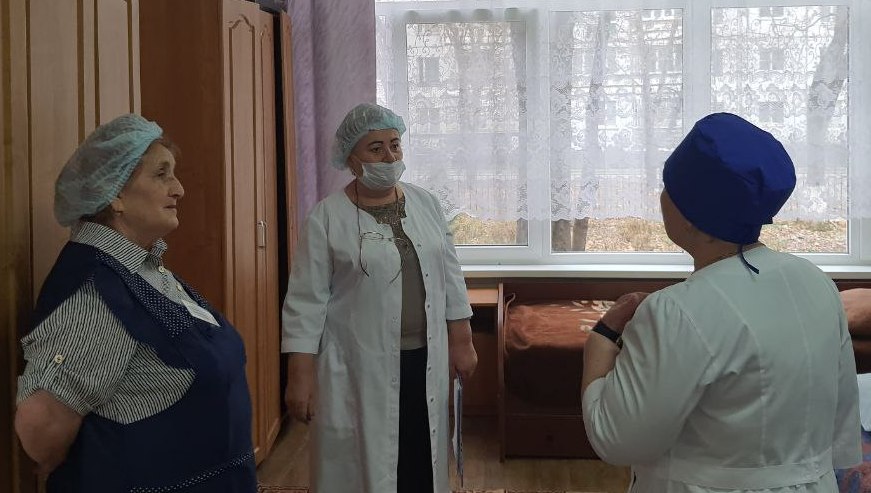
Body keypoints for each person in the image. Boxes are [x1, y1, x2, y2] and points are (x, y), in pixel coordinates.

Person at [581, 113, 861, 492]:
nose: (660, 198)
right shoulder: (816, 282)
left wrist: (601, 339)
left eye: (667, 188)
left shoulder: (676, 312)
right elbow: (841, 423)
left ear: (691, 216)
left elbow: (617, 439)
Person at [14, 114, 257, 492]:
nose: (179, 189)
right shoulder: (95, 292)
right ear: (116, 194)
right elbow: (40, 426)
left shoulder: (142, 268)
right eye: (161, 174)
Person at [281, 103, 478, 493]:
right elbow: (305, 302)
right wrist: (299, 377)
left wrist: (463, 340)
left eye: (395, 145)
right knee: (367, 463)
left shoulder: (426, 204)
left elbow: (450, 276)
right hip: (357, 364)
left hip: (425, 357)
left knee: (420, 454)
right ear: (351, 159)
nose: (389, 156)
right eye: (376, 148)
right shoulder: (326, 218)